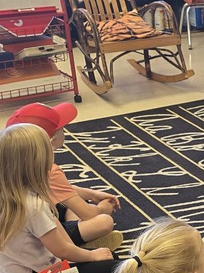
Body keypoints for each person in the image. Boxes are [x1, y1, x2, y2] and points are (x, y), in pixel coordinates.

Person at [0, 123, 117, 273]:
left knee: (104, 257)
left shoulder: (11, 193)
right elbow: (61, 250)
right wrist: (92, 256)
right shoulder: (32, 205)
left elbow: (59, 239)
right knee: (121, 270)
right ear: (39, 163)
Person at [5, 101, 122, 252]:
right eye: (61, 128)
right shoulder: (49, 170)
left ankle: (78, 235)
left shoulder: (14, 163)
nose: (64, 131)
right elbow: (88, 214)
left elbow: (58, 189)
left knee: (72, 201)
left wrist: (91, 193)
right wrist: (103, 208)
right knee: (104, 221)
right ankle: (80, 246)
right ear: (51, 140)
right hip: (42, 236)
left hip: (21, 229)